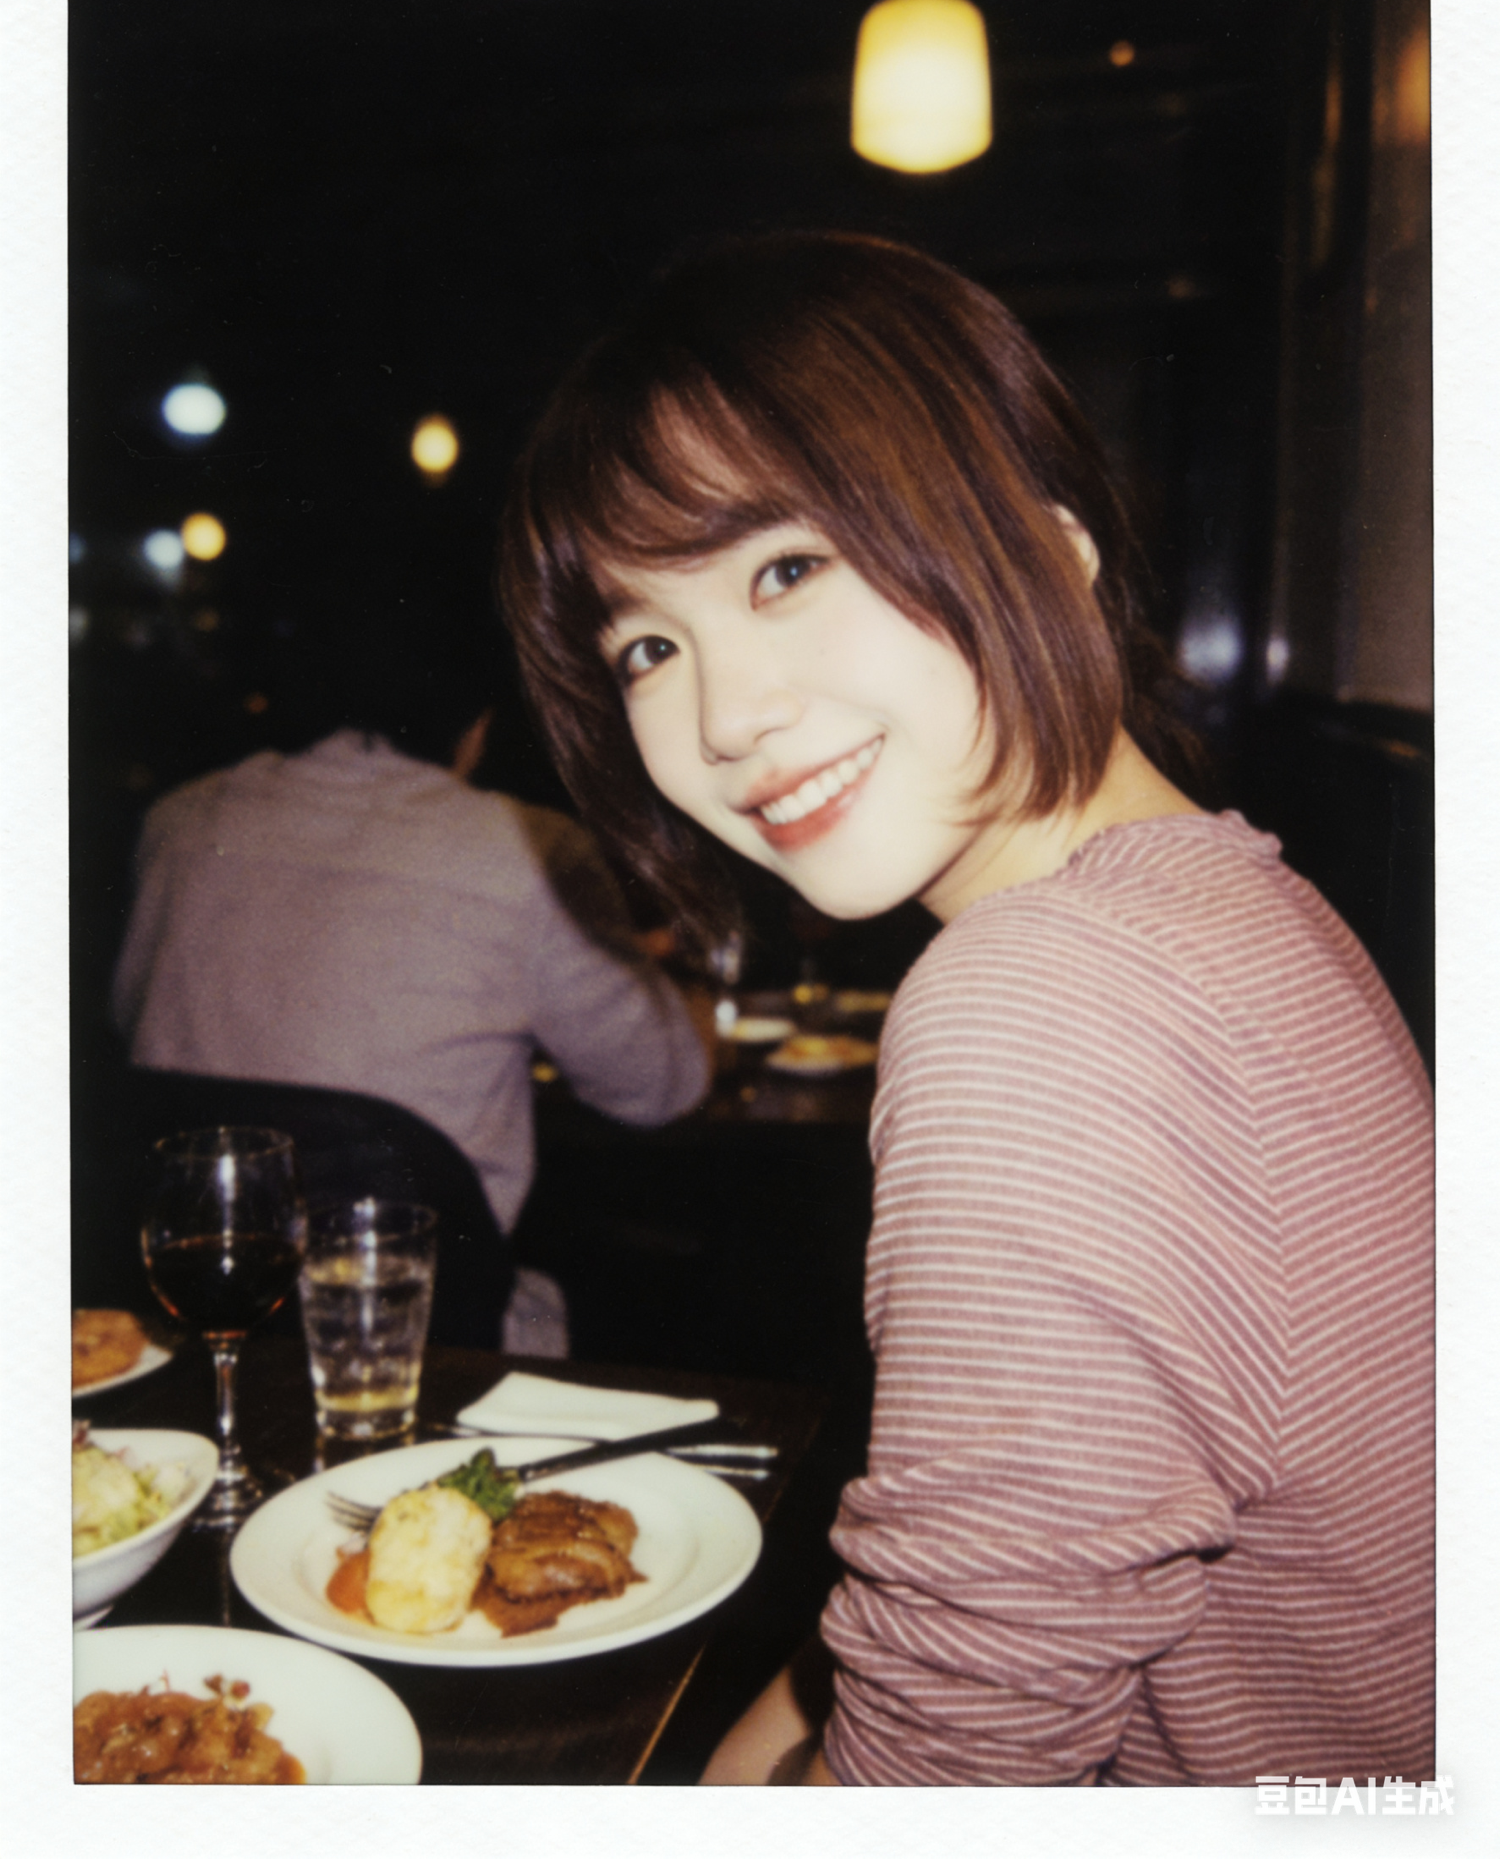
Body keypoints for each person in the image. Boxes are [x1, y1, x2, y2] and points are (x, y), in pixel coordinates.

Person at [499, 233, 1434, 1784]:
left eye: (785, 569)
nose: (727, 717)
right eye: (650, 645)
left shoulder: (1044, 999)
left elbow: (951, 1774)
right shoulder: (1239, 893)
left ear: (1049, 547)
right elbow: (966, 1606)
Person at [112, 596, 712, 1354]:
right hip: (429, 1346)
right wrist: (692, 999)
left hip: (186, 1328)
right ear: (478, 728)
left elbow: (132, 1026)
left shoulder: (179, 821)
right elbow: (660, 1088)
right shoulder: (525, 847)